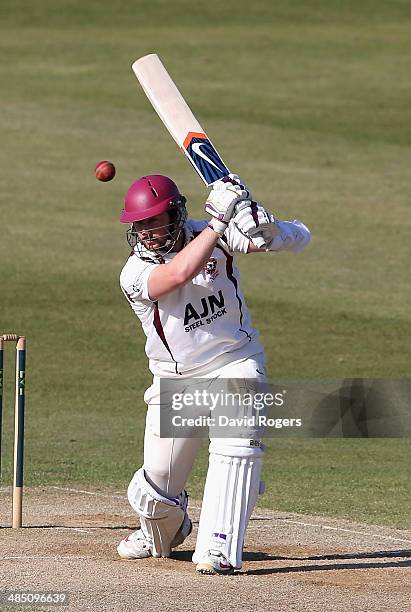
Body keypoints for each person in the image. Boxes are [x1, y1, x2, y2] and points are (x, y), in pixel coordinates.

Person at [116, 174, 311, 574]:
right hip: (176, 381)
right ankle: (167, 526)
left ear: (175, 215)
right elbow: (176, 276)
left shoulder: (211, 234)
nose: (147, 233)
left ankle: (219, 546)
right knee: (154, 498)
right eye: (140, 225)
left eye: (155, 221)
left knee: (237, 447)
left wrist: (263, 226)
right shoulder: (134, 273)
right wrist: (221, 219)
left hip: (235, 360)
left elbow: (288, 239)